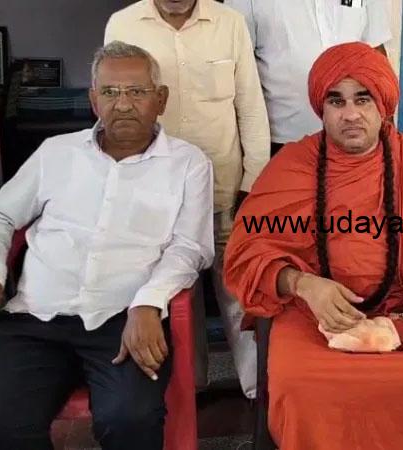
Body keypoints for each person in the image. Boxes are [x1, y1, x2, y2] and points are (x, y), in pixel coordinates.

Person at [223, 42, 403, 450]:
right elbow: (246, 253)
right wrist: (303, 284)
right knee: (301, 385)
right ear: (322, 109)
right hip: (311, 317)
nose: (351, 114)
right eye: (336, 101)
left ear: (383, 105)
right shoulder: (292, 166)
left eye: (363, 98)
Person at [0, 41, 214, 450]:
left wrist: (149, 302)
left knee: (130, 420)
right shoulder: (56, 153)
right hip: (36, 316)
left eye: (137, 92)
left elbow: (190, 247)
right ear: (93, 100)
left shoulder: (188, 163)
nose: (123, 104)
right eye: (110, 92)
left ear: (161, 99)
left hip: (123, 319)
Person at [105, 0, 270, 397]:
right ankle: (191, 389)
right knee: (176, 296)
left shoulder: (229, 23)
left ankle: (257, 392)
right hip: (156, 195)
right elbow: (112, 108)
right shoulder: (123, 24)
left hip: (223, 189)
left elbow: (250, 108)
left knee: (239, 293)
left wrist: (253, 184)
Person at [224, 0, 392, 155]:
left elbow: (376, 53)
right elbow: (236, 69)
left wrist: (388, 129)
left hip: (356, 136)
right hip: (286, 140)